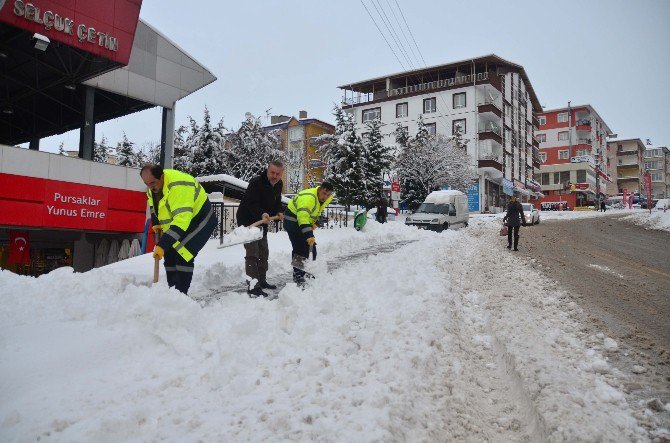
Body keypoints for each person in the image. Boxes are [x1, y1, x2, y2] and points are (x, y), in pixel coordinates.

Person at [140, 164, 217, 295]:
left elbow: (181, 220)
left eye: (152, 183)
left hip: (201, 219)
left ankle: (181, 296)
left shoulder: (179, 187)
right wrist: (157, 223)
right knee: (169, 254)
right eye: (146, 184)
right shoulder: (152, 189)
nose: (150, 187)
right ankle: (172, 293)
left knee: (183, 253)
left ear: (162, 177)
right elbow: (153, 206)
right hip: (181, 221)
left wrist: (162, 244)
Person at [236, 161, 285, 298]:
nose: (274, 176)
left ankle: (262, 281)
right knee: (253, 253)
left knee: (263, 252)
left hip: (262, 221)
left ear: (281, 174)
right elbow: (252, 203)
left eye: (278, 174)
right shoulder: (256, 183)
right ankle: (253, 287)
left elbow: (277, 202)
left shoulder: (279, 184)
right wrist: (262, 213)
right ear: (267, 171)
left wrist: (279, 211)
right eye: (272, 173)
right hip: (248, 221)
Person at [283, 182, 334, 285]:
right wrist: (309, 234)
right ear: (319, 189)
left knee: (312, 248)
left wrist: (315, 222)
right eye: (324, 193)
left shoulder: (324, 198)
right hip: (292, 222)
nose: (325, 196)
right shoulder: (309, 198)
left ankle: (308, 271)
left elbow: (317, 210)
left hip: (303, 222)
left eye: (328, 194)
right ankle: (298, 275)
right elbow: (303, 217)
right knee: (300, 249)